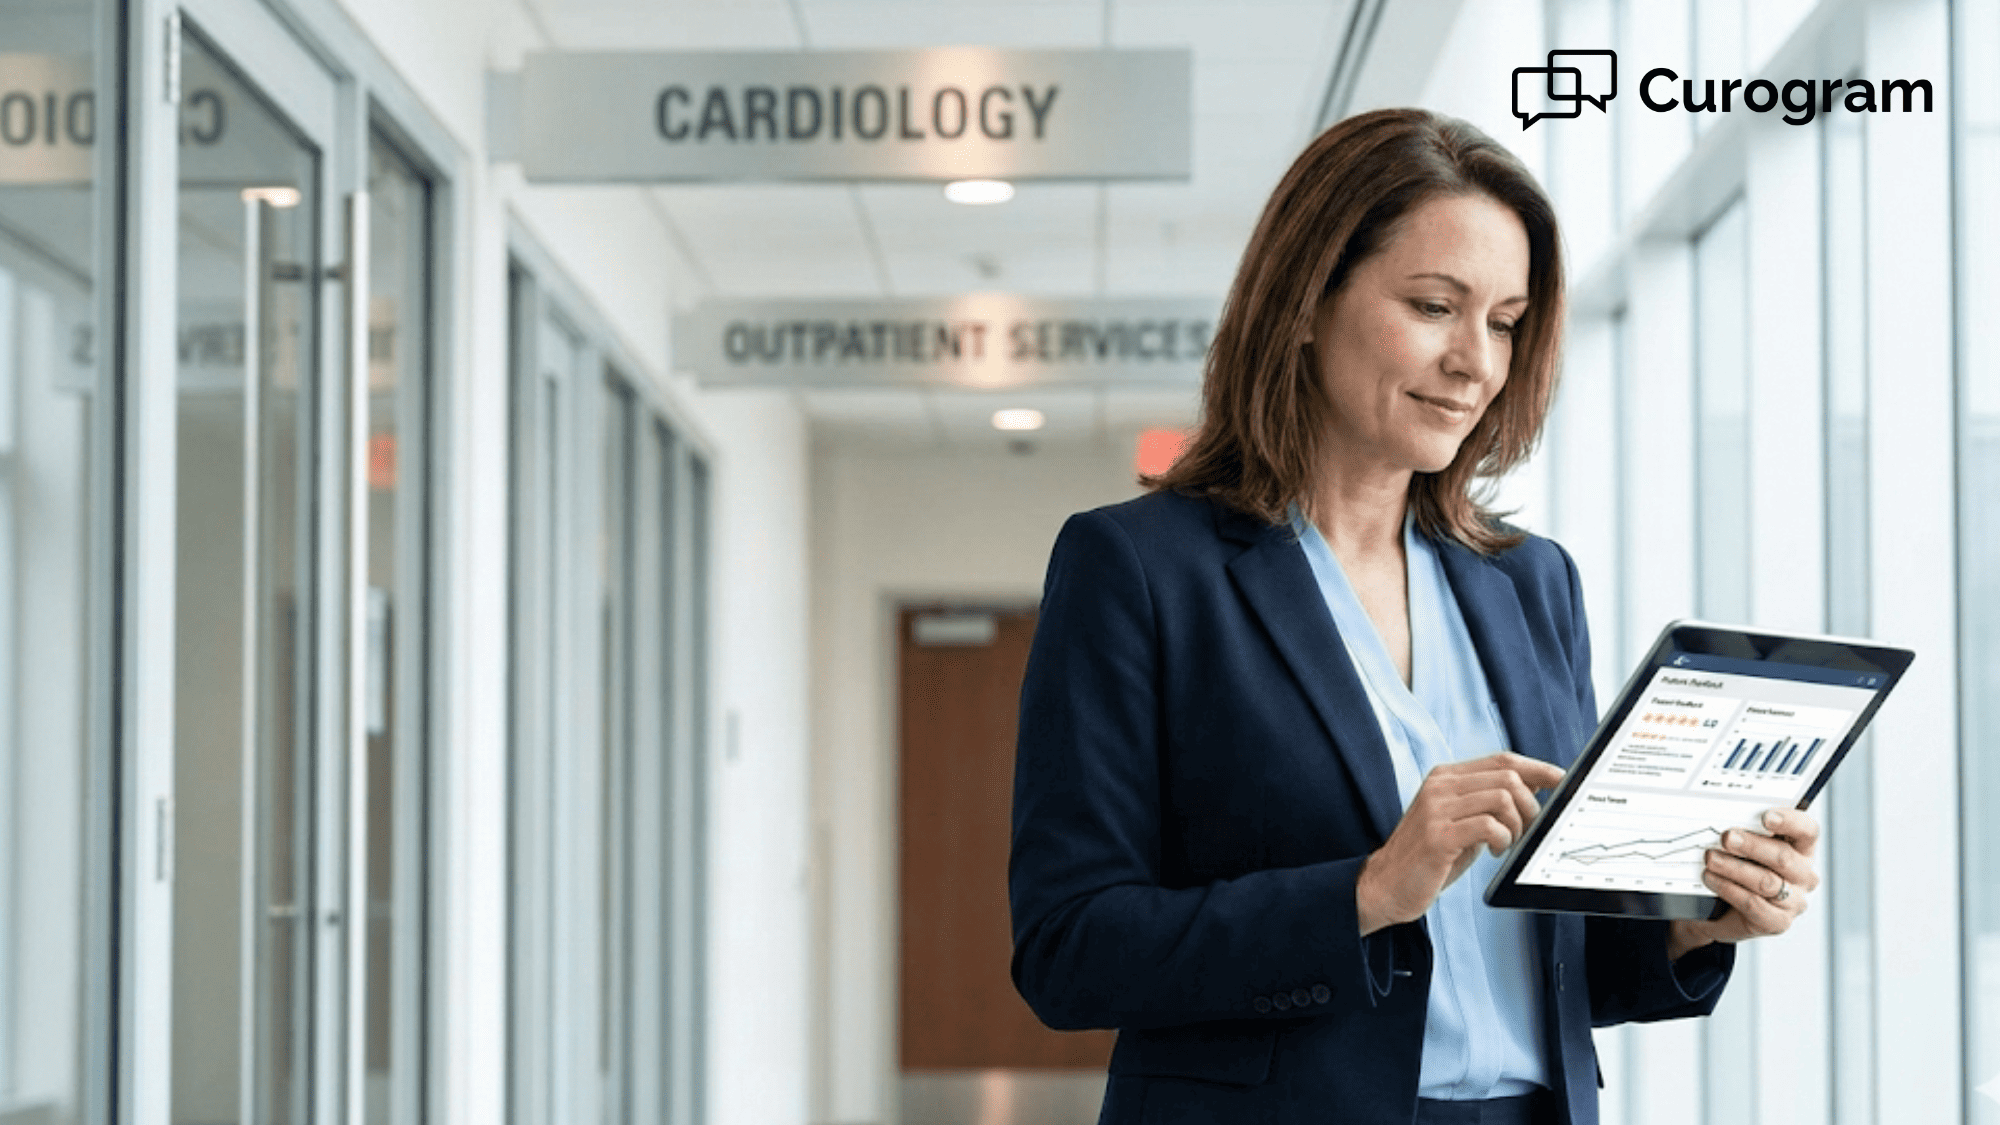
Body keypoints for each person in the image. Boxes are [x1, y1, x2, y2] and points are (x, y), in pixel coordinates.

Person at [1007, 107, 1821, 1125]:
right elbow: (1067, 951)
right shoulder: (1136, 568)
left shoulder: (1529, 583)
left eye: (1504, 322)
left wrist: (1691, 927)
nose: (1475, 362)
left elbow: (1552, 968)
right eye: (1434, 305)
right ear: (1304, 302)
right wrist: (1367, 889)